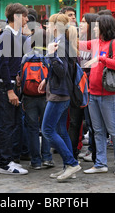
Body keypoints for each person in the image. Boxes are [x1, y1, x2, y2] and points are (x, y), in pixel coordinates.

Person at [81, 15, 115, 175]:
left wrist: (100, 58)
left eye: (96, 26)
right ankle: (100, 163)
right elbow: (79, 44)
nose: (93, 29)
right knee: (98, 130)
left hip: (109, 94)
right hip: (92, 93)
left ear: (104, 27)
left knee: (113, 129)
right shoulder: (95, 42)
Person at [38, 13, 81, 181]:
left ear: (55, 27)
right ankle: (68, 166)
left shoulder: (61, 45)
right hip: (60, 91)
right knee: (61, 130)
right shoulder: (61, 43)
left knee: (47, 130)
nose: (47, 27)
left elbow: (62, 71)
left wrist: (50, 55)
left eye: (48, 24)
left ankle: (71, 163)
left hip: (60, 94)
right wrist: (46, 79)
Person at [0, 3, 29, 175]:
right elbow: (3, 64)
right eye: (24, 16)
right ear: (16, 17)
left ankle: (7, 159)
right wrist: (9, 89)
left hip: (11, 84)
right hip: (5, 87)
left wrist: (18, 76)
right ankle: (5, 164)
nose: (27, 19)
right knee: (6, 125)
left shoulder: (11, 34)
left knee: (12, 124)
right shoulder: (7, 35)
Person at [20, 28, 53, 170]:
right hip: (46, 96)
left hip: (29, 96)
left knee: (32, 129)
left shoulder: (26, 56)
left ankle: (35, 161)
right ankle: (47, 157)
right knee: (46, 127)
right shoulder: (50, 55)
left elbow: (20, 77)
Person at [77, 13, 98, 162]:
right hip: (80, 85)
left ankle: (93, 149)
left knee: (92, 121)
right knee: (84, 119)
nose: (81, 24)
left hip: (91, 85)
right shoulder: (81, 41)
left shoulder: (95, 43)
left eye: (84, 22)